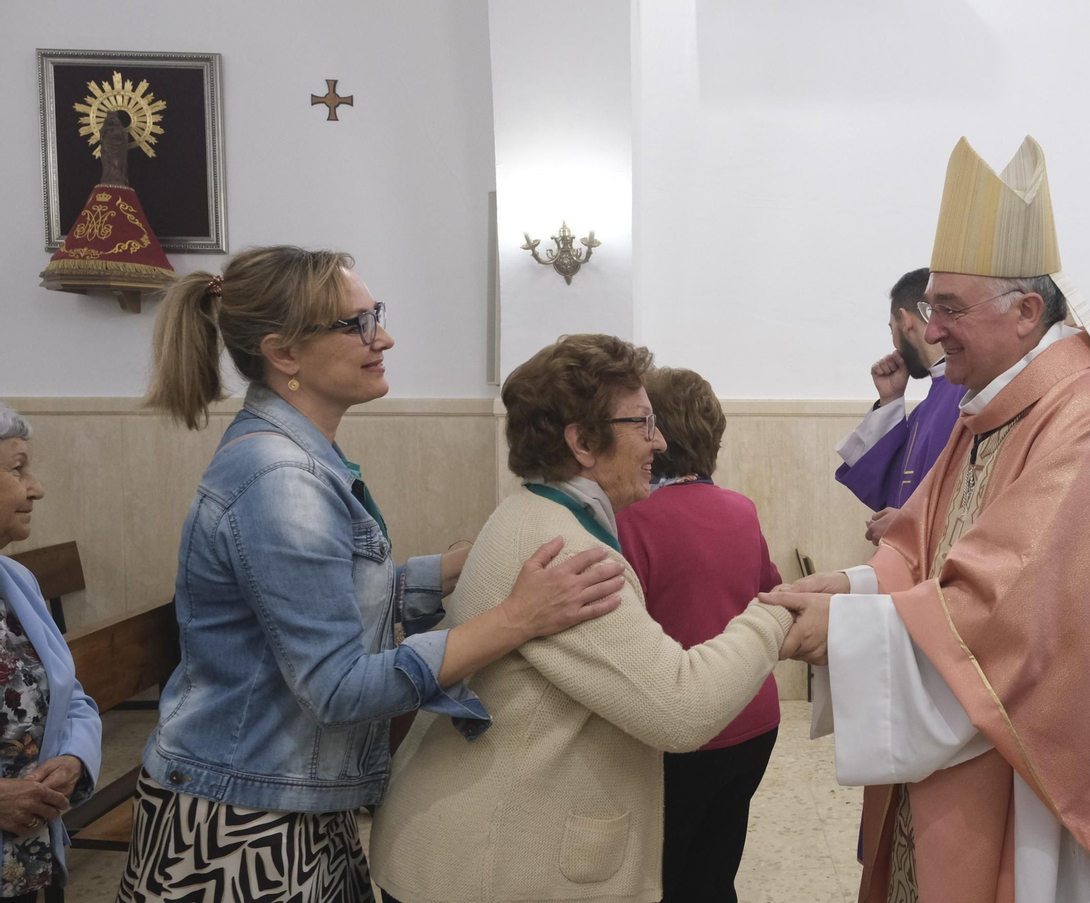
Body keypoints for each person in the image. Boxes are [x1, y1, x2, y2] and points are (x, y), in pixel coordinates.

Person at [766, 136, 1090, 902]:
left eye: (949, 309)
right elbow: (923, 544)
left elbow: (1010, 610)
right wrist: (853, 588)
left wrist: (846, 630)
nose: (932, 328)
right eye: (929, 308)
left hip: (1048, 782)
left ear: (1025, 312)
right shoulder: (995, 412)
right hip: (982, 762)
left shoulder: (1089, 422)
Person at [117, 247, 625, 903]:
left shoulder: (300, 454)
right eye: (355, 324)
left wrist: (448, 570)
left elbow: (330, 598)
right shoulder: (281, 480)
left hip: (283, 793)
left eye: (374, 315)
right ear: (285, 353)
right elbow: (338, 686)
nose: (382, 337)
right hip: (241, 818)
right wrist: (516, 618)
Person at [370, 335, 800, 903]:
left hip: (465, 850)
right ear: (584, 442)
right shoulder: (566, 553)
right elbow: (681, 708)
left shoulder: (536, 509)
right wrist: (778, 615)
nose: (661, 442)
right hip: (483, 868)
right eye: (643, 425)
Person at [614, 367, 783, 903]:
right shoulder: (741, 509)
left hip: (681, 726)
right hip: (754, 717)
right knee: (716, 864)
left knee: (662, 876)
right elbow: (771, 591)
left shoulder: (630, 521)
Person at [0, 404, 102, 903]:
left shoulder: (17, 580)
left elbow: (73, 696)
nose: (35, 487)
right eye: (18, 469)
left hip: (22, 859)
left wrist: (74, 758)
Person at [835, 268, 964, 544]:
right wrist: (890, 400)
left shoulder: (969, 396)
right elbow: (893, 491)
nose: (894, 342)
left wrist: (908, 525)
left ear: (905, 321)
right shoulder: (925, 408)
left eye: (892, 328)